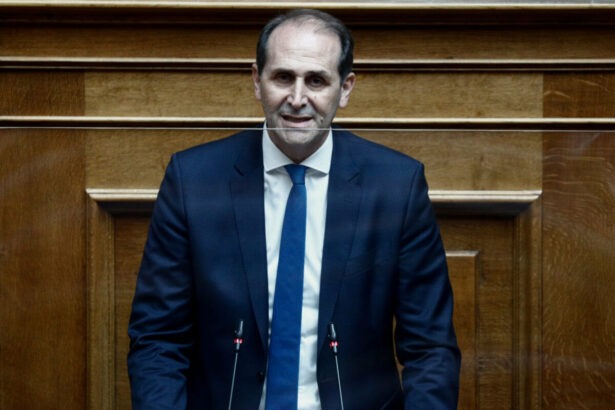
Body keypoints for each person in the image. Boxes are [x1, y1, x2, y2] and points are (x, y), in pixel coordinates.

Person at [127, 8, 460, 410]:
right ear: (257, 80)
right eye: (283, 77)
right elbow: (158, 340)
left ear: (345, 88)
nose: (298, 99)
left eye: (316, 80)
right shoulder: (193, 181)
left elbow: (430, 348)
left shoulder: (397, 186)